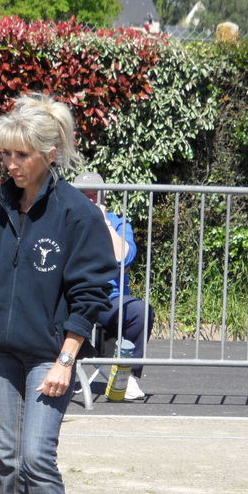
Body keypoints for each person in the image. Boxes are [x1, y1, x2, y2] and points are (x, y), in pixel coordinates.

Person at [0, 94, 117, 494]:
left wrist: (66, 359)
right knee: (8, 457)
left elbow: (92, 292)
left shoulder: (77, 212)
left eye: (21, 155)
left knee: (36, 456)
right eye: (5, 154)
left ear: (49, 154)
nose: (10, 164)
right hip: (1, 350)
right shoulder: (1, 204)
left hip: (49, 355)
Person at [73, 171, 155, 400]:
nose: (90, 200)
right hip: (72, 295)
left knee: (139, 311)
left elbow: (123, 258)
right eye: (84, 195)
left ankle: (126, 378)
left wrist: (103, 222)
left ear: (104, 196)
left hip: (109, 299)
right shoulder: (66, 220)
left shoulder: (118, 223)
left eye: (94, 195)